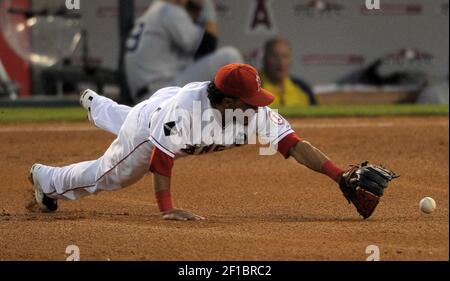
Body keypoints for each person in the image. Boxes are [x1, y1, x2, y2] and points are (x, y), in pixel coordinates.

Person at [28, 63, 397, 221]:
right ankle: (48, 180)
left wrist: (338, 176)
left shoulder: (252, 112)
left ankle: (100, 107)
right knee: (111, 174)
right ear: (229, 99)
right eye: (251, 99)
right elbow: (160, 158)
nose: (260, 105)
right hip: (152, 124)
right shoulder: (187, 113)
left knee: (143, 116)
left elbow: (293, 144)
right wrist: (167, 207)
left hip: (164, 104)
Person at [125, 0, 242, 103]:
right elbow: (208, 44)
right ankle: (241, 115)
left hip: (149, 94)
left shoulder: (156, 10)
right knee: (230, 57)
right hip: (161, 93)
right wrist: (208, 7)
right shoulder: (169, 11)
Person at [260, 38, 317, 107]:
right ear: (264, 59)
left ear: (291, 60)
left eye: (285, 56)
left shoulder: (303, 88)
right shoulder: (253, 86)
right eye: (275, 56)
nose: (280, 62)